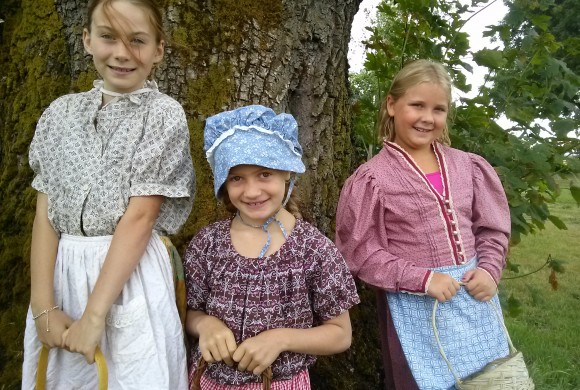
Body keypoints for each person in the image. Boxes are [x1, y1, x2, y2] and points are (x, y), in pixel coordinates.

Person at [21, 0, 195, 388]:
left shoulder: (162, 115)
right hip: (62, 273)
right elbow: (45, 210)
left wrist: (95, 316)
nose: (121, 53)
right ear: (86, 39)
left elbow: (141, 217)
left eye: (137, 40)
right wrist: (42, 304)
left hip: (125, 276)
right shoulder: (60, 114)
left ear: (158, 50)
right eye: (107, 37)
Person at [335, 59, 512, 390]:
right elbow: (360, 250)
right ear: (391, 105)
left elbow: (492, 228)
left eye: (438, 109)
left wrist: (489, 269)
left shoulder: (467, 166)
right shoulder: (373, 178)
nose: (427, 118)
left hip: (475, 296)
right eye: (417, 105)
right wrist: (422, 279)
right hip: (415, 306)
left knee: (488, 379)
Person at [183, 105, 359, 389]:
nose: (252, 191)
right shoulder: (207, 244)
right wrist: (204, 325)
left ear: (287, 172)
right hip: (208, 381)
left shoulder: (313, 250)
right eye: (236, 178)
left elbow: (340, 334)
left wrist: (280, 339)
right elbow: (189, 311)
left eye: (264, 174)